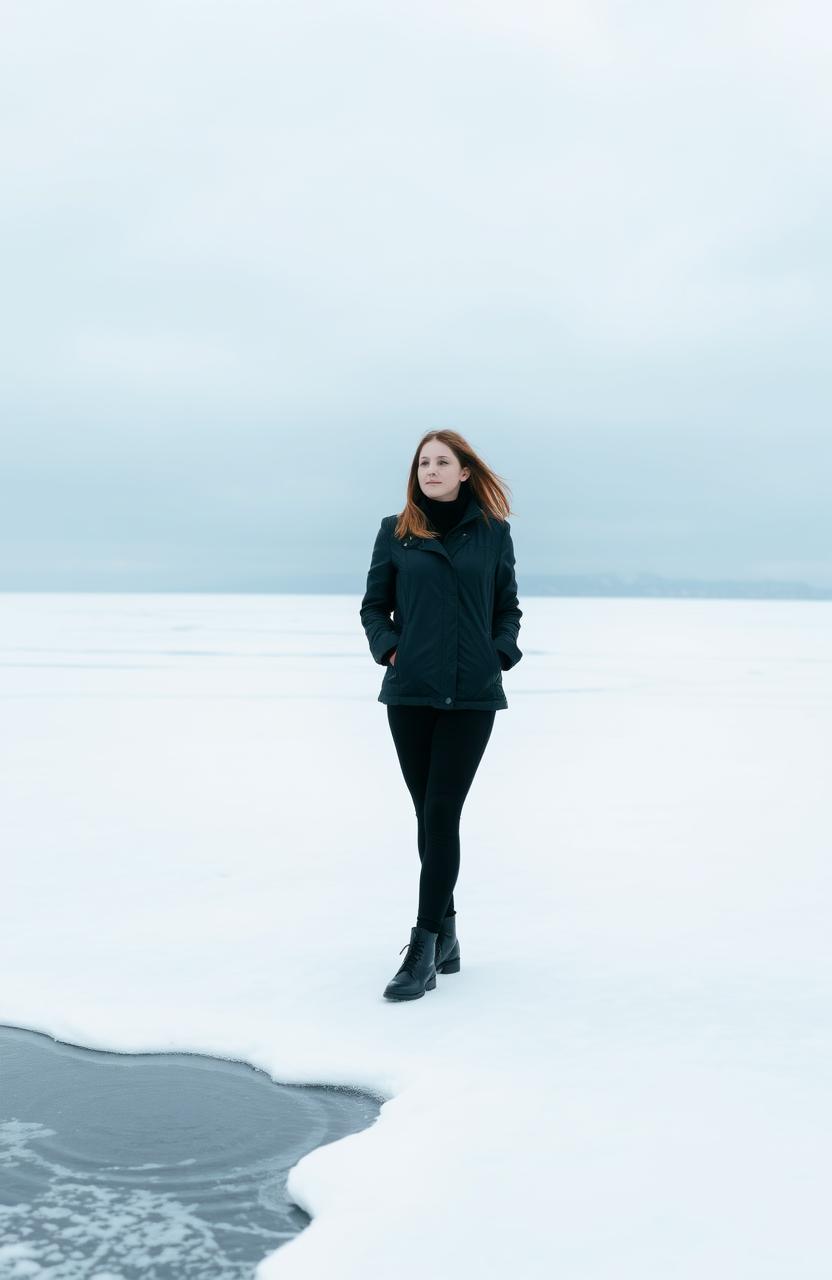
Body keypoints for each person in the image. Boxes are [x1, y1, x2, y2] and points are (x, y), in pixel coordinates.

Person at [359, 430, 523, 1001]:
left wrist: (498, 653)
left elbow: (508, 606)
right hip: (410, 694)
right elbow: (373, 606)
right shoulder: (397, 532)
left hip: (473, 695)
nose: (430, 469)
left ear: (462, 472)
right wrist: (390, 648)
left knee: (442, 811)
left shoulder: (493, 534)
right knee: (427, 816)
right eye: (423, 462)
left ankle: (424, 946)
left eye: (441, 461)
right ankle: (447, 936)